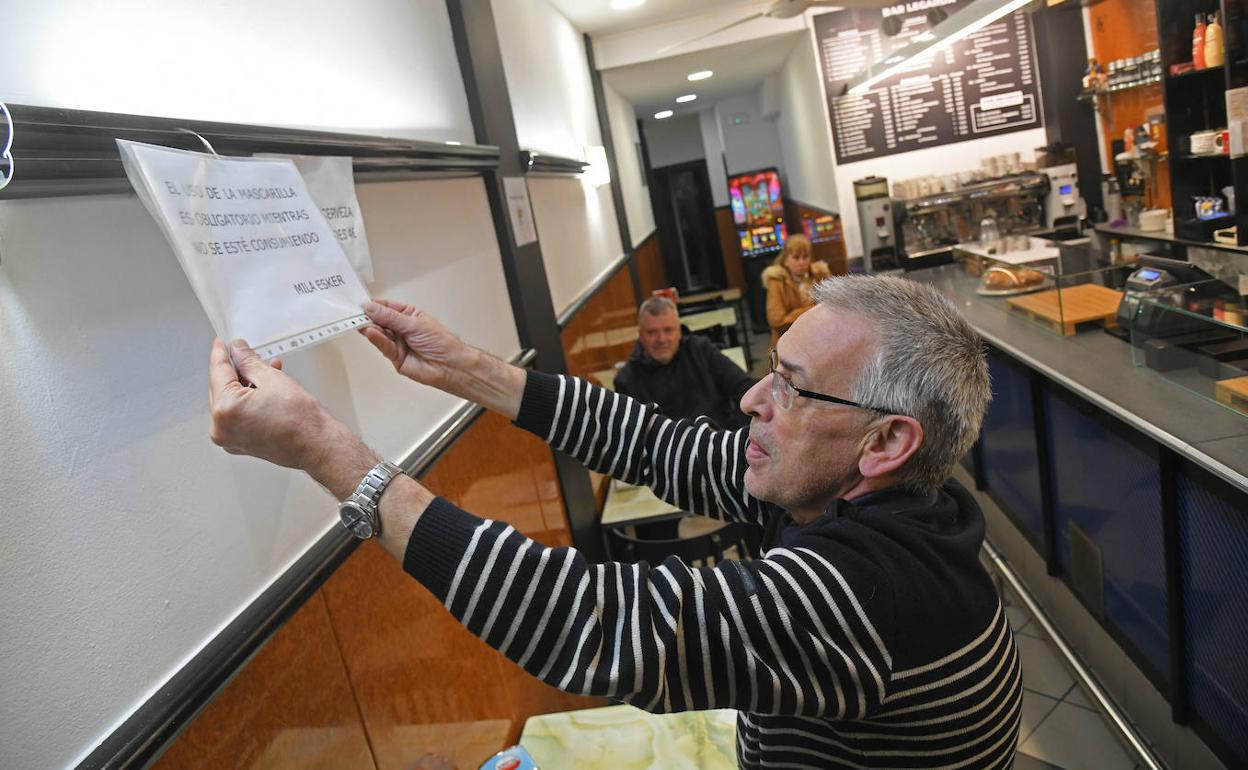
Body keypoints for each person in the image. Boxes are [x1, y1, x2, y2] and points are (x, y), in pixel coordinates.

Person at [207, 275, 1020, 769]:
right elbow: (658, 444)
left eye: (792, 388)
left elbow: (590, 621)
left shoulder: (870, 592)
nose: (750, 400)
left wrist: (322, 448)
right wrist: (465, 369)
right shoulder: (876, 494)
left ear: (886, 441)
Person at [614, 296, 753, 432]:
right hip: (666, 453)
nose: (661, 339)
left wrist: (738, 433)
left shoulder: (701, 350)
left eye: (668, 330)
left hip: (716, 441)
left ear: (679, 332)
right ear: (641, 335)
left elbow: (745, 387)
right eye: (652, 333)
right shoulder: (626, 380)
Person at [762, 233, 830, 348]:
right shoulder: (776, 280)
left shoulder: (820, 274)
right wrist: (815, 309)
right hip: (789, 344)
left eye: (805, 257)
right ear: (785, 260)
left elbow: (833, 307)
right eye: (796, 257)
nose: (802, 262)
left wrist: (794, 314)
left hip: (821, 339)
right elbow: (777, 321)